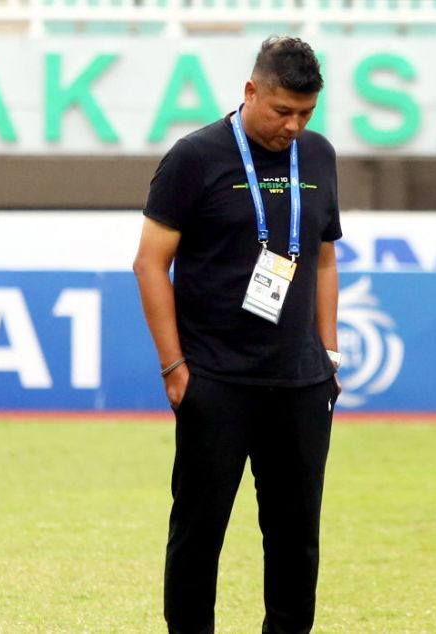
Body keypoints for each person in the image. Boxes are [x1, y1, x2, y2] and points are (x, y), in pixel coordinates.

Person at [133, 35, 343, 634]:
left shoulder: (319, 156)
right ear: (250, 92)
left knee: (296, 538)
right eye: (282, 111)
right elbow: (150, 263)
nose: (293, 126)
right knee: (199, 535)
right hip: (216, 381)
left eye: (306, 113)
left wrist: (329, 353)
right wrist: (175, 368)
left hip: (301, 383)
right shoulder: (194, 157)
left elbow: (324, 260)